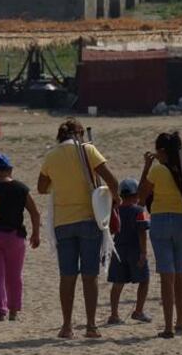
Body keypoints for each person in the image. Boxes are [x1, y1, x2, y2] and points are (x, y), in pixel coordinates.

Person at [38, 118, 120, 339]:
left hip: (63, 221)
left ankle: (66, 326)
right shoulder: (87, 150)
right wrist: (115, 201)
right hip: (88, 219)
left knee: (67, 276)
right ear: (80, 133)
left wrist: (62, 185)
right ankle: (91, 326)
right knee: (89, 275)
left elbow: (42, 187)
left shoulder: (52, 155)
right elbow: (112, 180)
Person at [136, 132, 182, 339]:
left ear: (161, 151)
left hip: (160, 221)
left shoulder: (157, 171)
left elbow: (140, 198)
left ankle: (168, 326)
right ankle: (181, 322)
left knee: (166, 277)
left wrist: (146, 167)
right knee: (179, 274)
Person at [0, 153, 40, 322]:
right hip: (15, 236)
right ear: (10, 169)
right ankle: (14, 310)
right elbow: (34, 212)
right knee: (14, 275)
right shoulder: (20, 188)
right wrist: (35, 234)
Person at [107, 178, 152, 325]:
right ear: (135, 195)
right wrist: (143, 253)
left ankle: (114, 314)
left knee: (118, 283)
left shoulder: (114, 210)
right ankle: (138, 311)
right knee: (144, 280)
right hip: (134, 249)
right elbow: (142, 233)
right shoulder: (139, 211)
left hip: (118, 249)